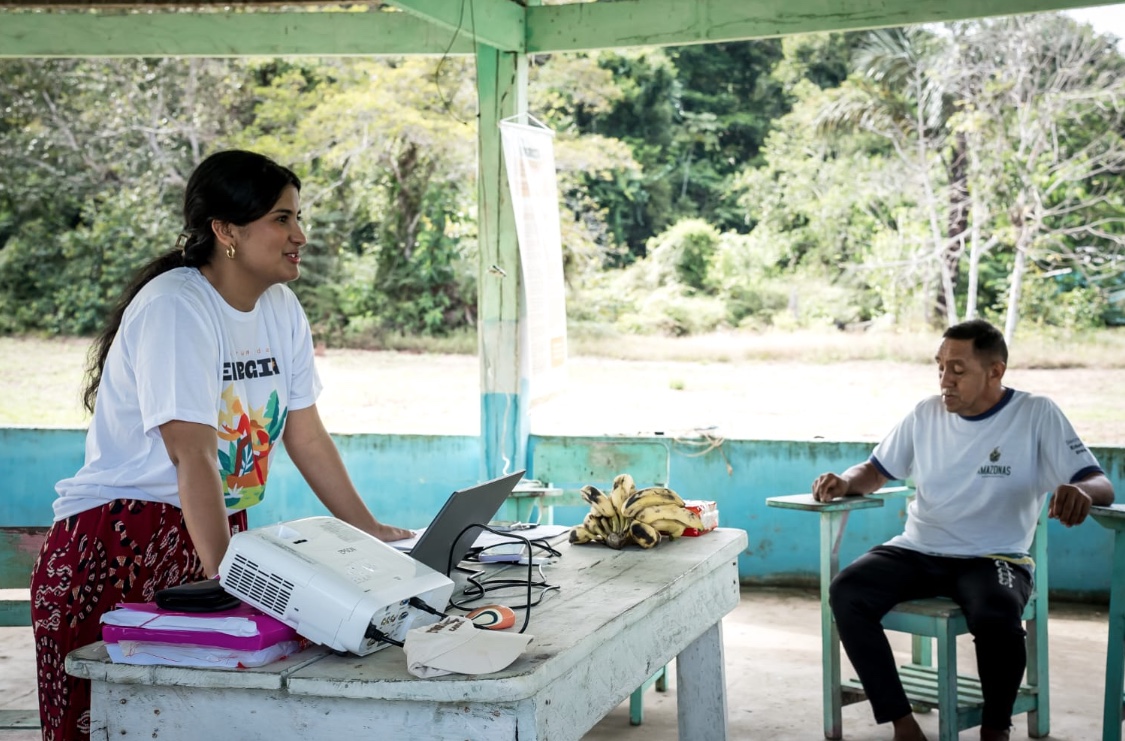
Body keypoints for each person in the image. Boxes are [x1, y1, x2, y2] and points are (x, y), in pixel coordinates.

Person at [30, 150, 412, 741]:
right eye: (281, 219)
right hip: (119, 543)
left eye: (298, 218)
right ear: (226, 230)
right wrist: (228, 583)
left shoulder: (281, 309)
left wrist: (373, 533)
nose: (300, 235)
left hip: (214, 531)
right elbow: (194, 455)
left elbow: (305, 434)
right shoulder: (176, 306)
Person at [812, 318, 1114, 741]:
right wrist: (844, 482)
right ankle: (903, 724)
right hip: (919, 548)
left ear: (995, 371)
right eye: (939, 367)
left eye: (958, 369)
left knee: (996, 615)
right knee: (847, 592)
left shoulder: (1035, 413)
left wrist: (1081, 491)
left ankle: (995, 729)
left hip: (994, 556)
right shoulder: (925, 413)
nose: (944, 380)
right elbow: (875, 470)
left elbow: (1100, 482)